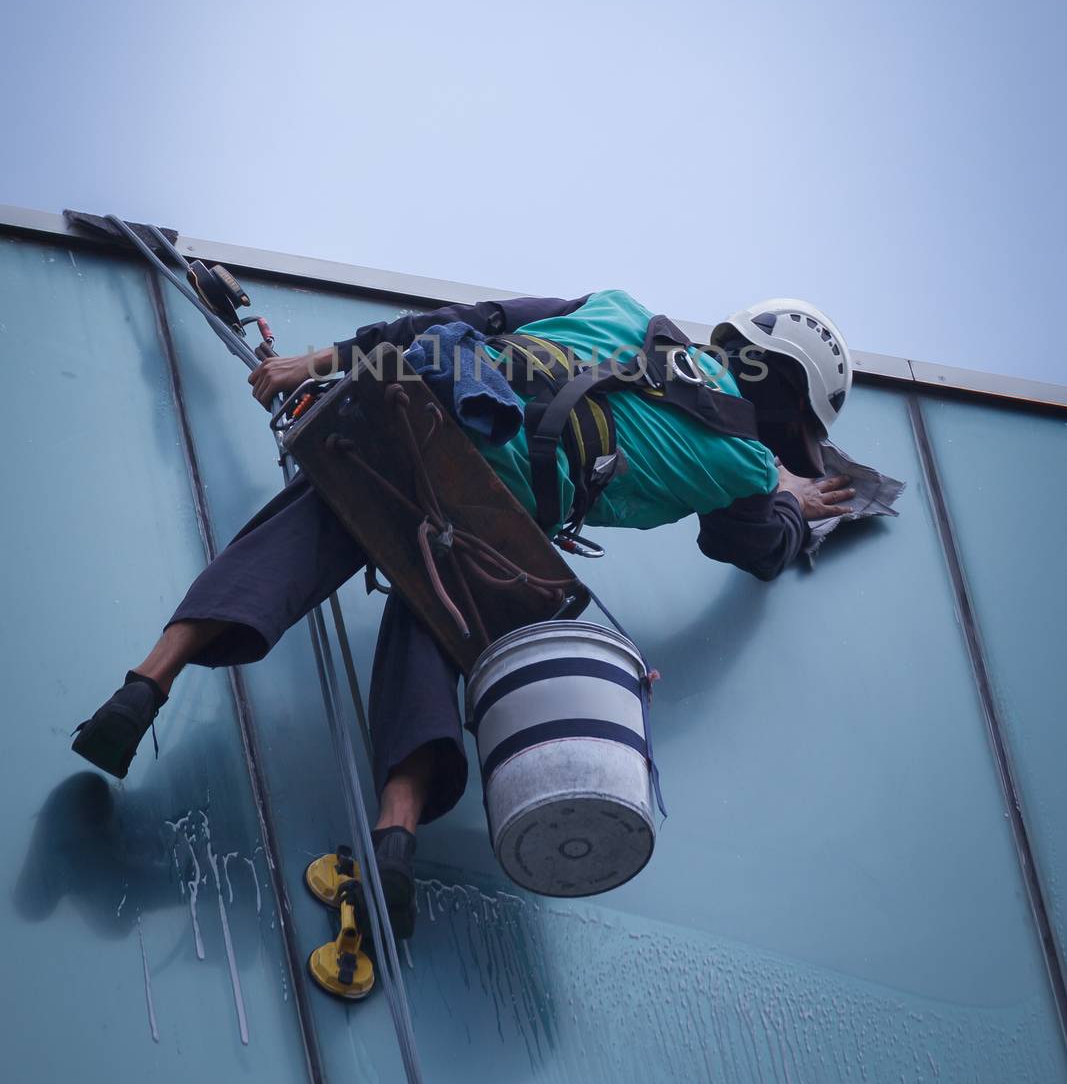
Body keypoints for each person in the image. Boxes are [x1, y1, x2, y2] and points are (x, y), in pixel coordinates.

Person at [72, 288, 855, 937]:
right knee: (446, 624)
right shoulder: (745, 466)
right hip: (500, 517)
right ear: (791, 416)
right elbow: (749, 548)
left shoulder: (618, 309)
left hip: (425, 417)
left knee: (316, 519)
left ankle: (146, 683)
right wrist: (792, 499)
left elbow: (467, 320)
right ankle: (395, 835)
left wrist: (315, 360)